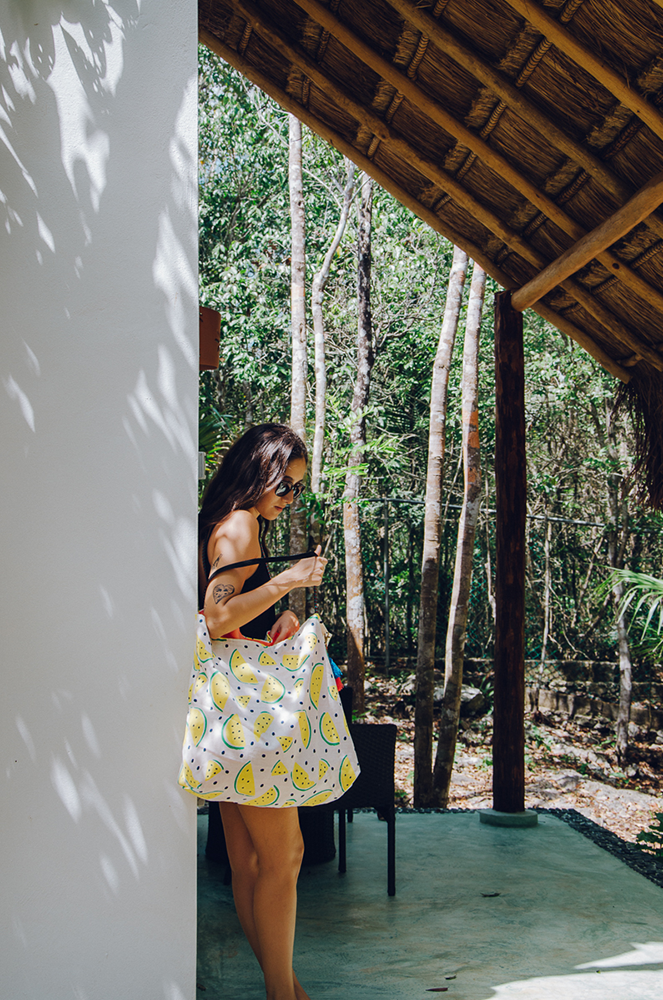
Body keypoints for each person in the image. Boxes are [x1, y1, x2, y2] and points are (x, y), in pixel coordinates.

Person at [198, 422, 327, 1000]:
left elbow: (233, 623)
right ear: (259, 470)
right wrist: (285, 584)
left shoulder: (230, 519)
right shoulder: (240, 525)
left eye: (297, 489)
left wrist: (274, 621)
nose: (289, 497)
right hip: (246, 718)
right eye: (285, 483)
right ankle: (285, 995)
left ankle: (289, 989)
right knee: (286, 857)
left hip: (227, 712)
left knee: (249, 865)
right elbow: (216, 616)